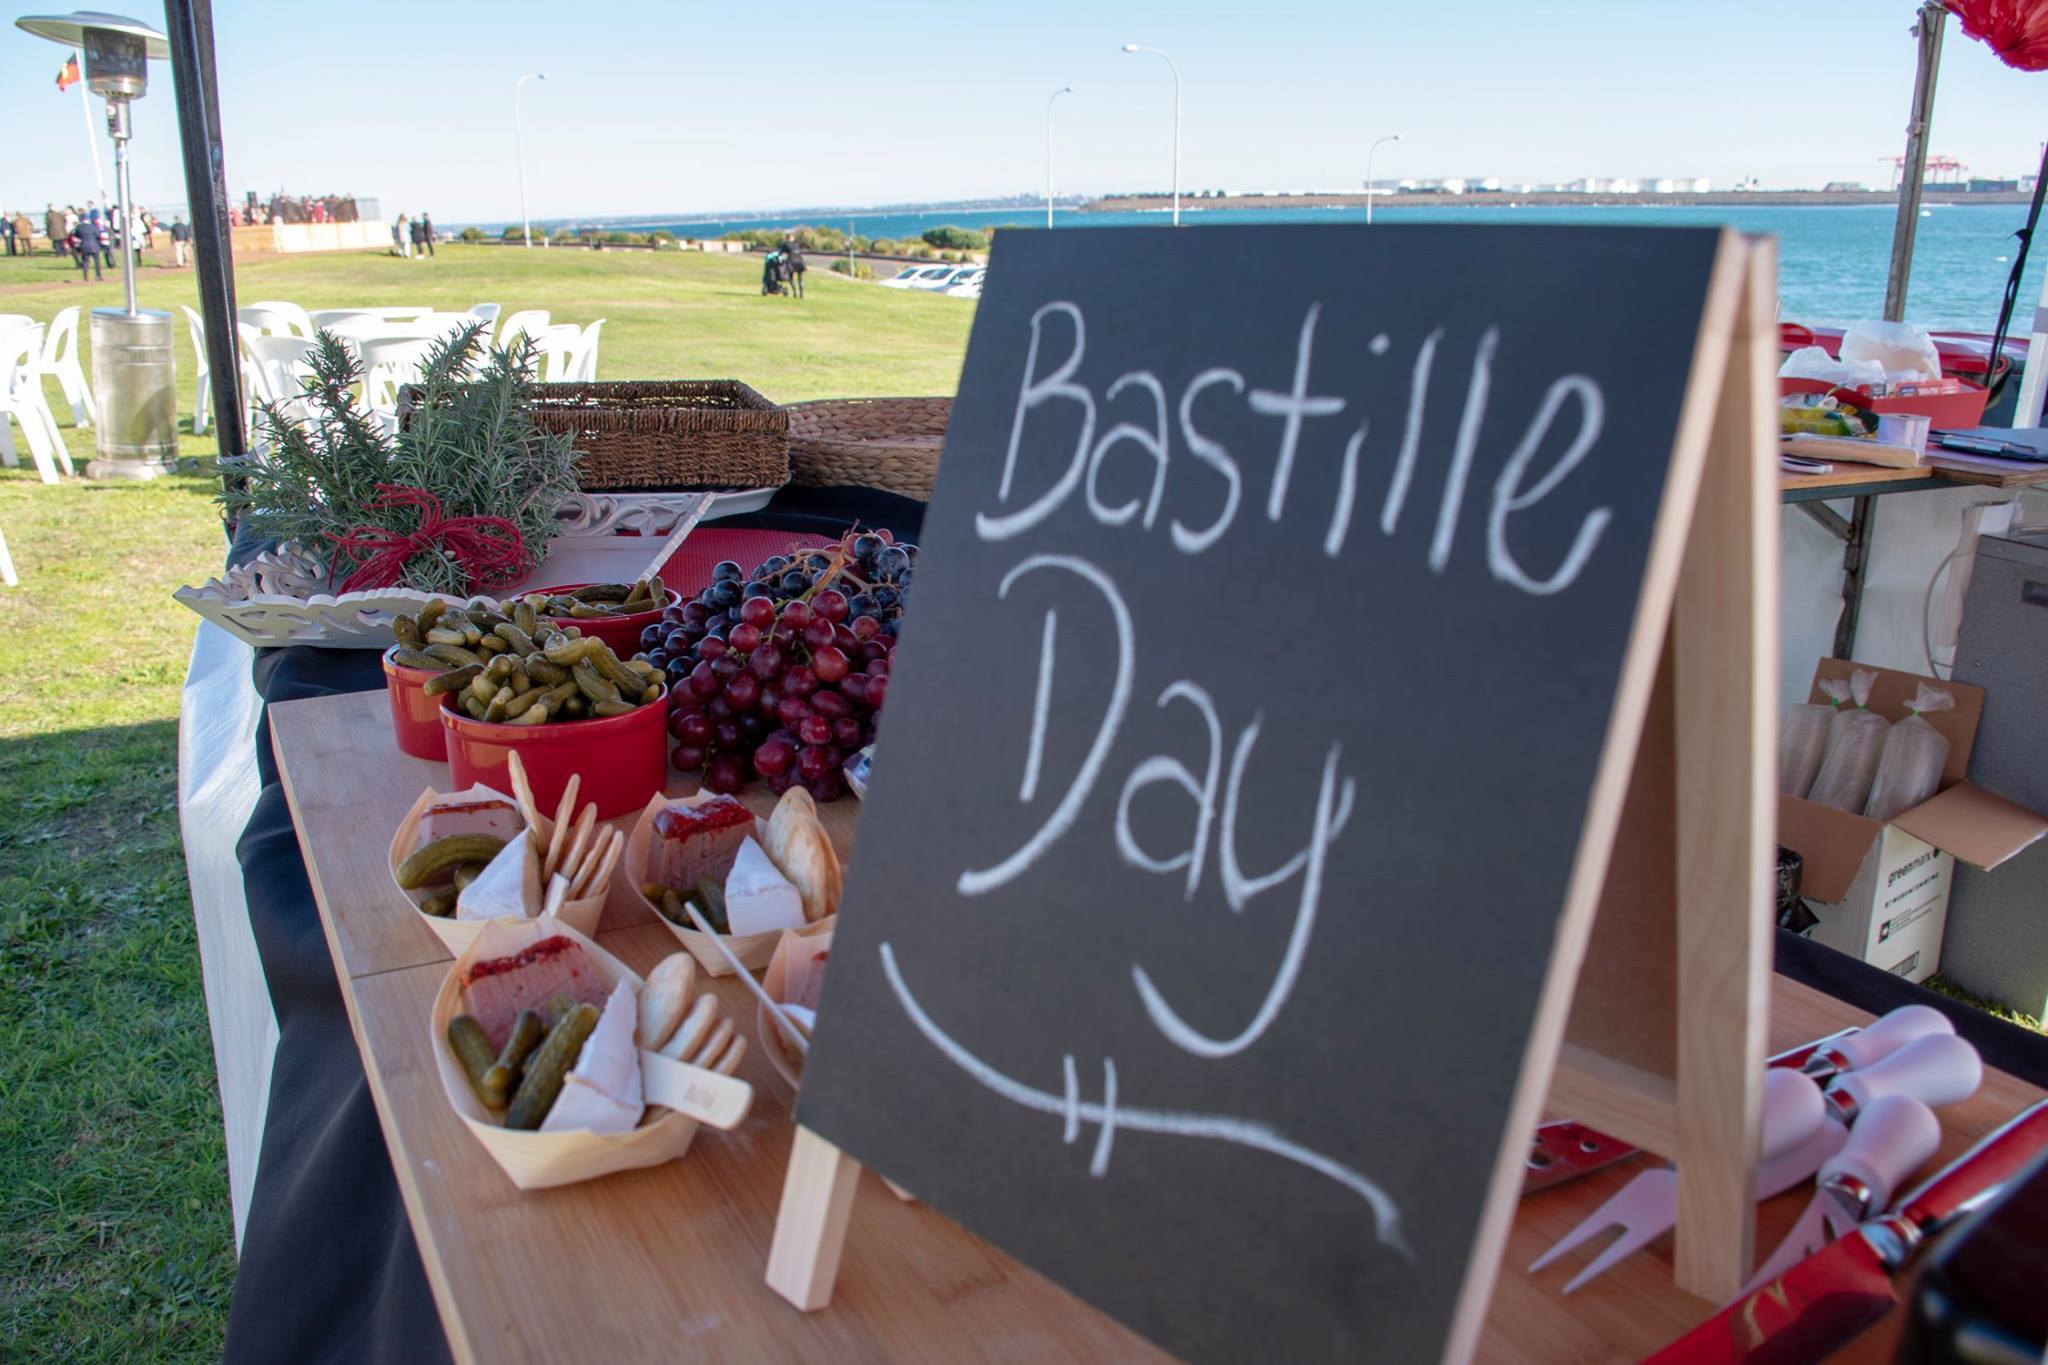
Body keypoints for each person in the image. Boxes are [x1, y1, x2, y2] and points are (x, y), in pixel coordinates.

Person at [73, 211, 103, 282]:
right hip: (94, 246)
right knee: (97, 262)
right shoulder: (93, 226)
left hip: (84, 246)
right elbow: (98, 235)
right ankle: (98, 276)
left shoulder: (79, 227)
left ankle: (85, 277)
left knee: (85, 262)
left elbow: (76, 235)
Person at [781, 234, 806, 299]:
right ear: (793, 238)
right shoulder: (797, 243)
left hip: (791, 261)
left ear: (787, 238)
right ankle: (801, 294)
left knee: (791, 278)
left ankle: (795, 293)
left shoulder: (785, 244)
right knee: (800, 278)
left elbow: (781, 253)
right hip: (800, 261)